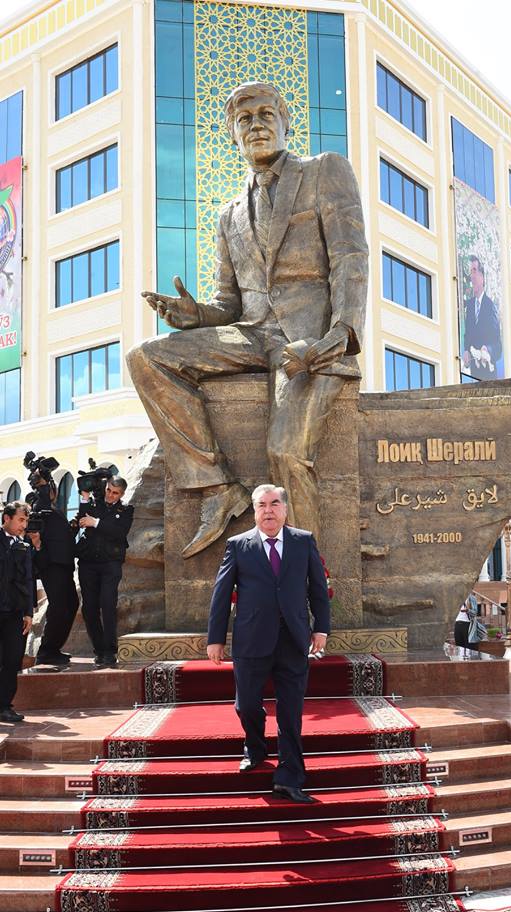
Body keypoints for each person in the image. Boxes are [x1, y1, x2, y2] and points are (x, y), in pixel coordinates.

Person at [128, 81, 368, 557]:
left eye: (265, 114)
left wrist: (342, 331)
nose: (256, 125)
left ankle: (307, 576)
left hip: (308, 336)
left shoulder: (325, 170)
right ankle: (217, 487)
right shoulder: (229, 214)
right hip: (252, 332)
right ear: (233, 135)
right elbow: (230, 303)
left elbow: (350, 256)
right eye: (244, 119)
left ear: (285, 123)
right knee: (146, 357)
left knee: (285, 451)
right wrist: (196, 315)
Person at [207, 483, 329, 804]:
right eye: (262, 505)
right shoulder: (238, 545)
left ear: (284, 509)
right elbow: (221, 594)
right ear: (254, 511)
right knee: (246, 705)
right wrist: (216, 638)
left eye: (274, 504)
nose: (268, 510)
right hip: (251, 640)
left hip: (293, 640)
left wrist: (321, 628)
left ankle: (289, 777)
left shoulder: (303, 541)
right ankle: (255, 746)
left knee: (290, 712)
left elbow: (318, 588)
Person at [76, 477, 133, 668]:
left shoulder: (126, 510)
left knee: (108, 605)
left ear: (121, 494)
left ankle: (110, 651)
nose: (110, 495)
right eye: (108, 490)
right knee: (89, 608)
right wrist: (85, 498)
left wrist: (96, 523)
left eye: (115, 493)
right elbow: (82, 520)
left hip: (110, 565)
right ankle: (99, 650)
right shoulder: (95, 504)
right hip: (88, 563)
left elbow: (119, 532)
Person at [28, 478, 78, 667]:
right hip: (51, 565)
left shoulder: (55, 511)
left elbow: (58, 538)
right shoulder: (42, 507)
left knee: (71, 604)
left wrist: (72, 530)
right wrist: (42, 481)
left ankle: (53, 649)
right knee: (58, 607)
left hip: (64, 565)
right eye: (49, 487)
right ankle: (46, 652)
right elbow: (42, 500)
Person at [0, 501, 34, 722]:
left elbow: (28, 580)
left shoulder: (24, 547)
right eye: (21, 520)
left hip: (14, 613)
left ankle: (4, 706)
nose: (24, 525)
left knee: (12, 660)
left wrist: (29, 613)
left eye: (26, 521)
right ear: (7, 518)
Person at [463, 255, 502, 378]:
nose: (472, 276)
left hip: (489, 378)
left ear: (483, 277)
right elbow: (467, 336)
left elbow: (498, 346)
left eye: (474, 271)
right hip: (473, 375)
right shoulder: (469, 306)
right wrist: (466, 351)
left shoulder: (490, 306)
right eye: (470, 272)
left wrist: (487, 349)